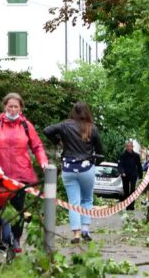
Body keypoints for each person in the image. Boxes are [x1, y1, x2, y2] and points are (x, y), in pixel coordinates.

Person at [0, 93, 49, 253]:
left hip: (20, 176)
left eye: (15, 106)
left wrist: (43, 161)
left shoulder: (26, 125)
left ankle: (16, 240)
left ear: (21, 108)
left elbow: (37, 146)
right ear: (4, 107)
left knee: (18, 209)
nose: (12, 109)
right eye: (9, 106)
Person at [44, 101, 103, 244]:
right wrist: (95, 162)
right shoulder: (92, 128)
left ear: (73, 112)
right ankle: (85, 230)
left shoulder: (65, 125)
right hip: (87, 168)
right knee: (87, 200)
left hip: (69, 168)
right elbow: (101, 152)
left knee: (73, 202)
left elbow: (47, 130)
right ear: (87, 112)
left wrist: (57, 140)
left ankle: (76, 234)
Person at [117, 141, 142, 211]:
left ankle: (132, 205)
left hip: (133, 174)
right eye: (127, 146)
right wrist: (122, 172)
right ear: (126, 147)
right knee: (126, 190)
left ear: (132, 147)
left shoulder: (136, 156)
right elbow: (120, 165)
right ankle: (127, 205)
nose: (129, 148)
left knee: (133, 190)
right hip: (125, 175)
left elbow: (139, 166)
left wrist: (140, 175)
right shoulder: (122, 155)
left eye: (130, 146)